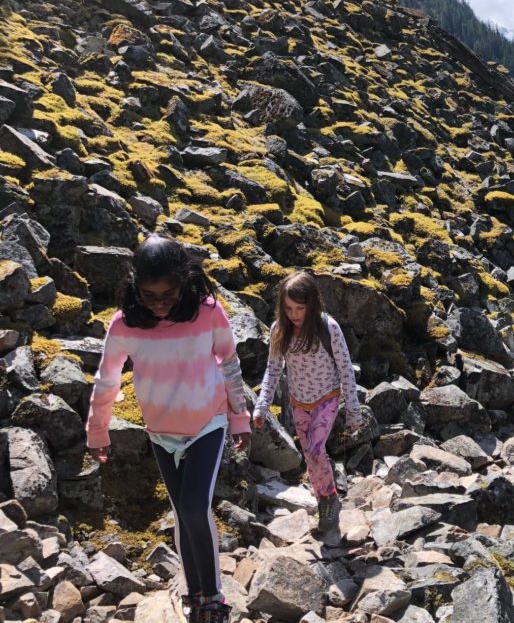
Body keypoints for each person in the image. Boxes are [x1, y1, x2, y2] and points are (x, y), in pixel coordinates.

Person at [86, 236, 250, 623]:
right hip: (160, 431)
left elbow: (229, 362)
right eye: (149, 294)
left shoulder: (208, 312)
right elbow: (108, 378)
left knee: (195, 506)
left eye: (169, 294)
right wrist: (98, 430)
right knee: (182, 513)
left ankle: (213, 598)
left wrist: (239, 417)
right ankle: (195, 593)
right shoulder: (125, 324)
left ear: (186, 281)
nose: (159, 302)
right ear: (134, 286)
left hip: (207, 423)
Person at [253, 271, 362, 533]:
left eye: (299, 308)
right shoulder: (280, 330)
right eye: (288, 308)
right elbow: (273, 370)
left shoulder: (328, 328)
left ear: (312, 304)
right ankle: (323, 496)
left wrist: (353, 410)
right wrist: (261, 406)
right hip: (298, 403)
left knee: (315, 451)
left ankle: (330, 501)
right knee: (310, 456)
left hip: (327, 398)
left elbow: (345, 367)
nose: (294, 314)